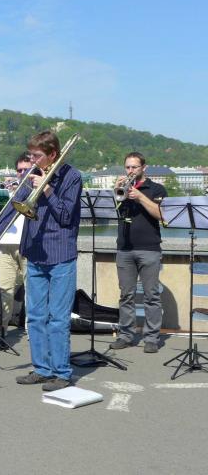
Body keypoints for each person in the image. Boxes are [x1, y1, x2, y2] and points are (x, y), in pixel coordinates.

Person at [0, 131, 81, 392]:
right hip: (35, 252)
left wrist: (46, 188)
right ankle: (41, 369)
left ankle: (61, 372)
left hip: (61, 255)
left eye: (37, 156)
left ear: (52, 154)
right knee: (35, 316)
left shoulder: (72, 177)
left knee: (58, 318)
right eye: (31, 155)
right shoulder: (31, 174)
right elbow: (13, 207)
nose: (33, 160)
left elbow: (66, 217)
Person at [109, 151, 167, 354]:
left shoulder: (156, 188)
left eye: (134, 167)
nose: (130, 171)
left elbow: (162, 214)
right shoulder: (123, 187)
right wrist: (117, 191)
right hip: (124, 248)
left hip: (149, 248)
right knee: (126, 295)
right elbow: (113, 210)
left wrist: (140, 197)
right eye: (127, 167)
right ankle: (125, 335)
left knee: (151, 296)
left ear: (144, 167)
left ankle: (151, 338)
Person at [0, 152, 33, 331]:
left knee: (31, 289)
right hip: (5, 244)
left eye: (26, 170)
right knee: (5, 290)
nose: (22, 174)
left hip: (27, 244)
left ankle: (31, 330)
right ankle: (2, 329)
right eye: (19, 170)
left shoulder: (34, 191)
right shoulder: (8, 192)